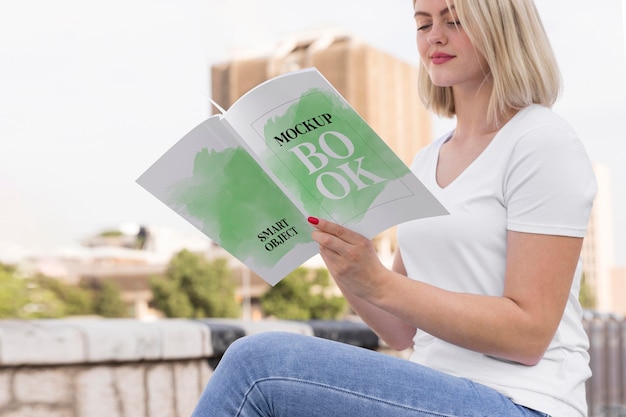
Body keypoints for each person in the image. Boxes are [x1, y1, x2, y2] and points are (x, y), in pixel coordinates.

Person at [191, 0, 597, 416]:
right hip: (435, 389)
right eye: (423, 24)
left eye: (454, 20)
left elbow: (529, 336)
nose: (435, 36)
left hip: (523, 402)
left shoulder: (541, 141)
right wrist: (343, 257)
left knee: (258, 366)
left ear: (502, 28)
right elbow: (401, 331)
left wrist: (381, 283)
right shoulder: (426, 160)